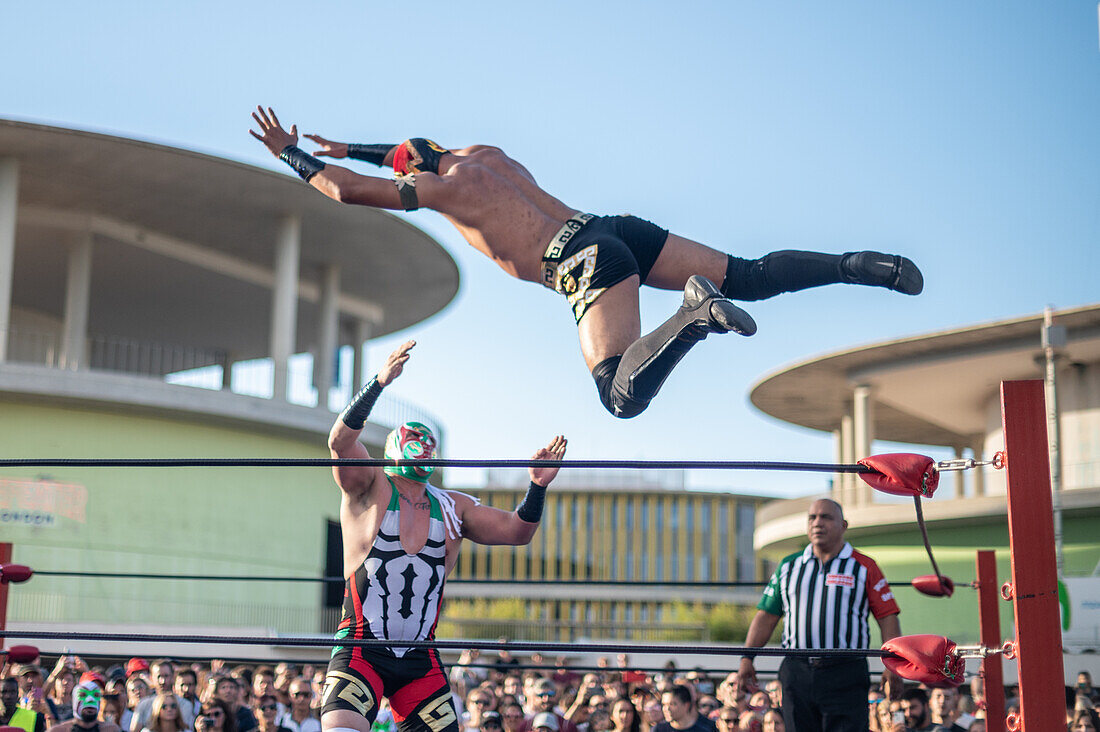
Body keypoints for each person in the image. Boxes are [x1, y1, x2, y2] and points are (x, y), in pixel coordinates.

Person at [250, 108, 924, 420]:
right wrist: (357, 144)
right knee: (746, 273)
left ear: (416, 171)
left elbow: (346, 188)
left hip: (577, 260)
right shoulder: (485, 154)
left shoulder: (443, 189)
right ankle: (863, 264)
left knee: (618, 394)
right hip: (609, 226)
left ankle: (693, 317)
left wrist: (293, 153)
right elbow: (399, 151)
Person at [318, 340, 566, 732]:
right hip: (361, 648)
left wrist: (536, 487)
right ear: (397, 446)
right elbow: (339, 443)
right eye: (414, 440)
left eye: (428, 442)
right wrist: (379, 384)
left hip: (421, 658)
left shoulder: (453, 506)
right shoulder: (371, 485)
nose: (423, 446)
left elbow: (518, 532)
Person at [738, 498, 902, 732]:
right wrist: (747, 658)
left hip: (846, 671)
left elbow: (887, 616)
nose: (817, 523)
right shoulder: (788, 566)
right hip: (798, 671)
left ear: (843, 525)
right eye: (812, 517)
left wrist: (892, 664)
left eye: (826, 517)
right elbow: (766, 616)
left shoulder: (864, 566)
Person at [45, 680, 121, 732]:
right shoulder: (60, 730)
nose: (90, 699)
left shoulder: (111, 729)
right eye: (83, 695)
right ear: (74, 700)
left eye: (96, 695)